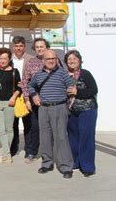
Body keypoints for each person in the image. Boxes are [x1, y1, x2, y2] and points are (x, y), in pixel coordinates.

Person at [28, 50, 75, 179]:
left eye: (53, 58)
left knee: (61, 137)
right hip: (44, 109)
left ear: (56, 59)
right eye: (48, 58)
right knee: (45, 137)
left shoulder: (62, 73)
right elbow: (30, 86)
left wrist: (73, 91)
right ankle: (47, 163)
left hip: (59, 107)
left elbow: (72, 86)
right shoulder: (38, 75)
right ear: (43, 60)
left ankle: (66, 166)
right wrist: (34, 95)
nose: (50, 61)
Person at [65, 50, 98, 177]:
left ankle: (88, 166)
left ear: (79, 61)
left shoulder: (85, 74)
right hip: (72, 111)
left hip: (87, 110)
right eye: (69, 59)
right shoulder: (65, 75)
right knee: (73, 138)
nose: (72, 61)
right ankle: (76, 162)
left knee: (86, 138)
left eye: (74, 59)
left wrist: (77, 91)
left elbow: (93, 90)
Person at [0, 48, 22, 164]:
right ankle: (7, 154)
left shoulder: (15, 71)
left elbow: (19, 87)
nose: (3, 60)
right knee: (1, 129)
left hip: (9, 103)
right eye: (1, 58)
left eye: (5, 58)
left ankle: (5, 155)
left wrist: (13, 97)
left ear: (9, 59)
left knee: (9, 129)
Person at [21, 38, 50, 163]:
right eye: (37, 47)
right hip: (34, 101)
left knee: (49, 128)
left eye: (41, 46)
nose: (39, 49)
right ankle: (32, 152)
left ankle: (49, 154)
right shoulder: (30, 62)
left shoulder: (53, 60)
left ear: (46, 47)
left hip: (50, 101)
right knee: (34, 128)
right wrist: (27, 99)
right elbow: (25, 82)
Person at [10, 36, 34, 156]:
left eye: (21, 46)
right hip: (13, 95)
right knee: (13, 124)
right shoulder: (9, 59)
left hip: (26, 95)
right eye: (16, 46)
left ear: (24, 47)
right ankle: (14, 147)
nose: (18, 48)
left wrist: (26, 83)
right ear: (13, 47)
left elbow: (35, 78)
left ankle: (29, 150)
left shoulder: (31, 59)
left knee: (28, 123)